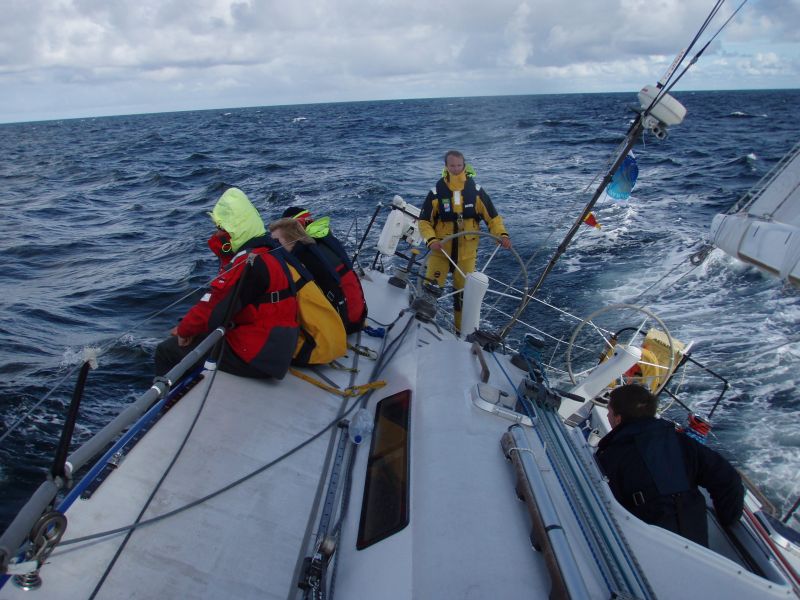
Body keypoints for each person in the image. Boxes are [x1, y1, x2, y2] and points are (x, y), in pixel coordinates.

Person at [154, 188, 299, 379]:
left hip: (256, 356)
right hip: (277, 350)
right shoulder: (269, 252)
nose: (217, 233)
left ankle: (168, 398)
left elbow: (213, 309)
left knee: (166, 351)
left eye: (220, 228)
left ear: (233, 229)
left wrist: (184, 330)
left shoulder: (246, 261)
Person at [595, 384, 744, 547]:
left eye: (609, 411)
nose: (607, 415)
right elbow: (729, 479)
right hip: (697, 542)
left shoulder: (612, 455)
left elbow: (605, 505)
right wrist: (728, 520)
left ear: (618, 418)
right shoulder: (684, 443)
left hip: (651, 543)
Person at [417, 150, 511, 332]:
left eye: (459, 165)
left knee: (463, 297)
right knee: (430, 292)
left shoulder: (476, 193)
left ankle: (461, 333)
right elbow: (424, 222)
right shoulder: (435, 194)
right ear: (446, 167)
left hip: (466, 256)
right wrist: (431, 240)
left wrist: (502, 235)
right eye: (452, 165)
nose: (456, 168)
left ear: (464, 165)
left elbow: (493, 219)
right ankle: (423, 329)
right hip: (440, 252)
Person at [270, 217, 367, 333]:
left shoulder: (301, 262)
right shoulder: (314, 250)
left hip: (341, 325)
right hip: (357, 317)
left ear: (291, 239)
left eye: (276, 241)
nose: (273, 246)